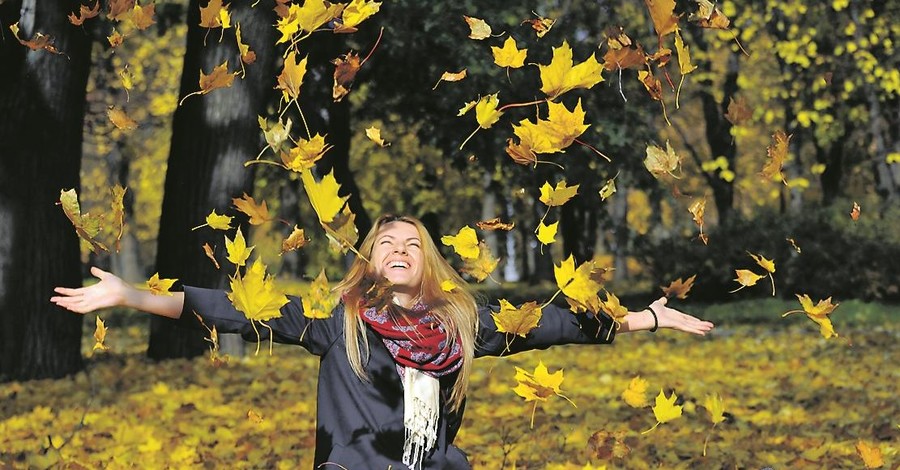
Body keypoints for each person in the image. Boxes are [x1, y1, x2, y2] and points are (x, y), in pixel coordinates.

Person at [51, 214, 714, 469]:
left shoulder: (463, 324)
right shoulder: (333, 318)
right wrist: (131, 295)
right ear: (370, 262)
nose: (398, 249)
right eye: (385, 244)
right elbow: (231, 309)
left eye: (411, 244)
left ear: (427, 263)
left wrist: (649, 318)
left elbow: (555, 324)